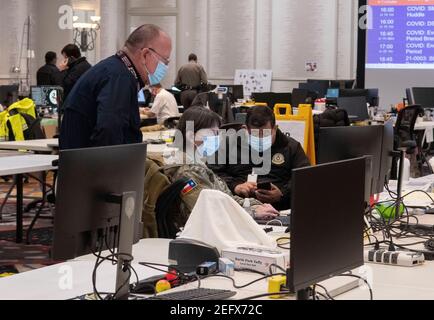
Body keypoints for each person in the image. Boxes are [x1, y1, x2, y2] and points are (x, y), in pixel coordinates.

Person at [60, 24, 172, 150]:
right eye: (165, 61)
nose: (165, 67)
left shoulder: (112, 70)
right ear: (145, 54)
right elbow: (110, 135)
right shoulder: (120, 78)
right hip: (92, 167)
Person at [163, 107, 279, 226]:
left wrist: (254, 205)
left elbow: (225, 198)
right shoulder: (187, 172)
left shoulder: (199, 165)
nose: (218, 138)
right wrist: (252, 212)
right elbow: (208, 211)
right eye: (213, 133)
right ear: (191, 136)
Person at [211, 106, 311, 210]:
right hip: (238, 207)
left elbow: (304, 177)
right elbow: (212, 173)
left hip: (279, 208)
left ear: (275, 129)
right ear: (245, 130)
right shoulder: (229, 144)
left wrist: (282, 194)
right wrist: (234, 186)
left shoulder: (291, 147)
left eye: (266, 134)